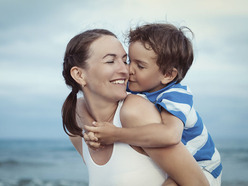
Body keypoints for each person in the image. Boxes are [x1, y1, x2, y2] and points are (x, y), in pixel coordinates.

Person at [62, 28, 209, 186]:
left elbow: (198, 183)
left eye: (124, 61)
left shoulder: (134, 111)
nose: (125, 70)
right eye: (111, 61)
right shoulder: (77, 121)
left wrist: (116, 134)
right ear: (78, 75)